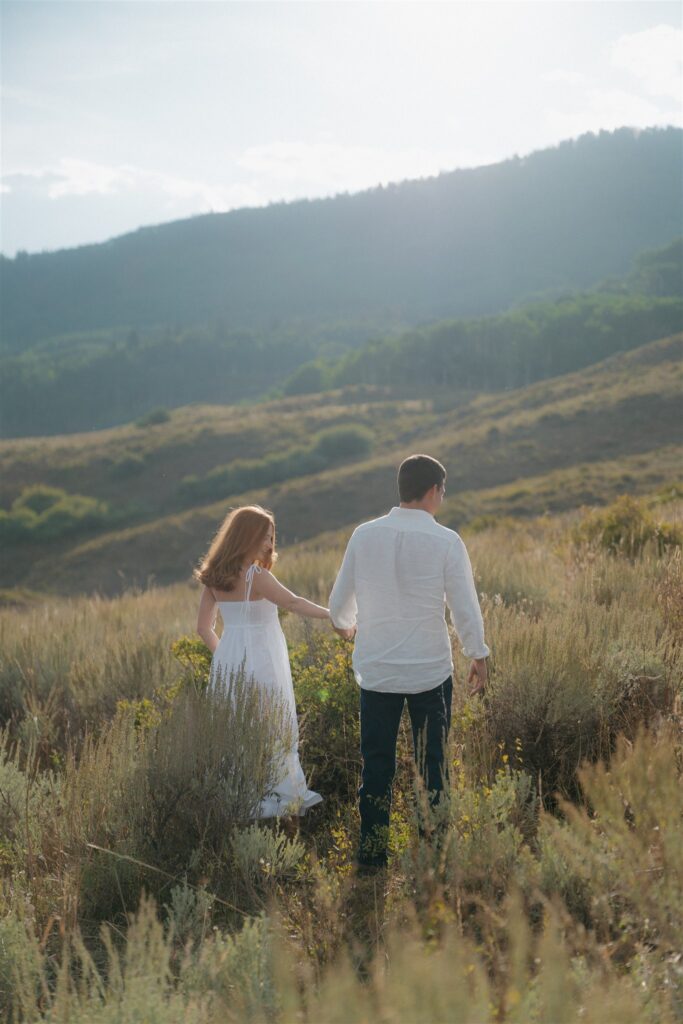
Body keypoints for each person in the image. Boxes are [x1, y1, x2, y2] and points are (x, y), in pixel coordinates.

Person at [329, 454, 489, 868]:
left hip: (377, 670)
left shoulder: (363, 536)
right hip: (429, 672)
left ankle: (371, 855)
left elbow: (338, 608)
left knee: (377, 765)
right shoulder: (447, 541)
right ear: (435, 491)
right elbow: (464, 608)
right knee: (432, 765)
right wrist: (478, 655)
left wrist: (349, 626)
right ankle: (432, 853)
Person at [196, 504, 329, 818]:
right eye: (265, 537)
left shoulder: (214, 577)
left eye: (272, 537)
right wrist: (332, 615)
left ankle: (241, 796)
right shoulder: (256, 576)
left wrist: (227, 659)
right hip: (264, 661)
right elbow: (293, 602)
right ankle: (282, 797)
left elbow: (203, 629)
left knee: (238, 730)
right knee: (274, 727)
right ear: (247, 537)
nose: (270, 544)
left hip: (229, 666)